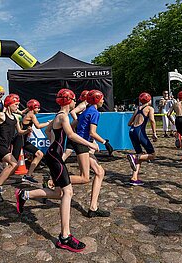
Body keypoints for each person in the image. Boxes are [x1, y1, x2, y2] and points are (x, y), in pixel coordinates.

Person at [15, 89, 99, 252]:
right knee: (68, 193)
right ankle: (64, 237)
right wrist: (90, 144)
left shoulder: (58, 116)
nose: (75, 102)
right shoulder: (62, 116)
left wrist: (54, 143)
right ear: (69, 101)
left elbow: (48, 131)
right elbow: (71, 135)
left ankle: (24, 194)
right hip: (55, 158)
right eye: (74, 99)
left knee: (60, 192)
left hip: (53, 155)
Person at [69, 89, 111, 217]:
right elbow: (93, 132)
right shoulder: (94, 112)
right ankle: (53, 181)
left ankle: (93, 207)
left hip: (81, 143)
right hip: (82, 145)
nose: (103, 100)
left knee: (99, 172)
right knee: (84, 177)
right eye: (102, 98)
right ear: (97, 100)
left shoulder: (86, 110)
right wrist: (105, 142)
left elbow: (73, 125)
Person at [126, 92, 157, 185]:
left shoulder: (137, 108)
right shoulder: (149, 108)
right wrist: (154, 133)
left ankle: (134, 177)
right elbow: (152, 120)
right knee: (152, 154)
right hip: (139, 132)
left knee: (140, 154)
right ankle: (134, 157)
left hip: (132, 131)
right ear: (149, 100)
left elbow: (129, 123)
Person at [17, 99, 50, 183]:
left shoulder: (28, 113)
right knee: (12, 163)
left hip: (23, 140)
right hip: (21, 140)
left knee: (39, 154)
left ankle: (28, 175)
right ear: (33, 108)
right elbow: (38, 126)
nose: (39, 110)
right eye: (37, 108)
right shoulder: (32, 115)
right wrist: (49, 123)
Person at [62, 90, 89, 161]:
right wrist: (78, 120)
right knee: (89, 148)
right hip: (77, 129)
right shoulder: (83, 105)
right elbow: (72, 112)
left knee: (69, 150)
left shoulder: (86, 105)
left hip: (76, 128)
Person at [168, 91, 182, 162]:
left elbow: (168, 114)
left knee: (181, 135)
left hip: (178, 119)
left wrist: (172, 121)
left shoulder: (175, 104)